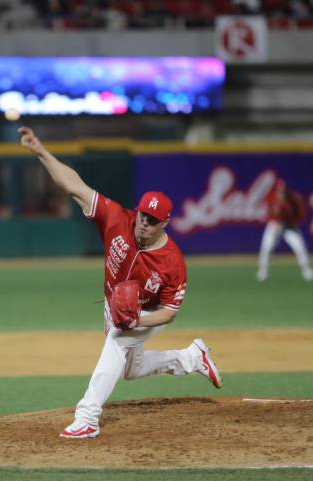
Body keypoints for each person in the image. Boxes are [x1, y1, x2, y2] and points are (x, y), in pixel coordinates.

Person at [18, 126, 223, 439]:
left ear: (165, 223)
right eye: (142, 215)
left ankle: (87, 416)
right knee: (131, 369)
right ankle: (192, 357)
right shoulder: (117, 219)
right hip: (115, 305)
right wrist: (41, 151)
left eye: (152, 220)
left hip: (146, 314)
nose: (144, 222)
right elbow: (75, 186)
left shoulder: (172, 263)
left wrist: (138, 319)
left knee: (117, 341)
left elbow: (169, 312)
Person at [256, 178, 313, 282]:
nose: (281, 193)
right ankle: (263, 272)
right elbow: (267, 214)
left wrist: (291, 223)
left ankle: (307, 270)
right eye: (279, 190)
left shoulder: (294, 199)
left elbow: (300, 214)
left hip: (289, 226)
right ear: (276, 190)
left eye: (283, 190)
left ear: (286, 190)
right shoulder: (271, 199)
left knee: (299, 247)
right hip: (274, 226)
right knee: (266, 247)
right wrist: (275, 222)